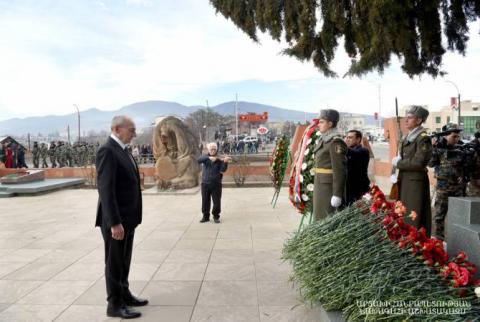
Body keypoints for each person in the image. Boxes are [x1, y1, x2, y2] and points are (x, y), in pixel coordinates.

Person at [95, 115, 147, 319]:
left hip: (128, 219)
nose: (134, 134)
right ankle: (114, 305)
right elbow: (106, 190)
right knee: (114, 263)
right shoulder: (107, 150)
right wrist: (114, 223)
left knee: (124, 260)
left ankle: (125, 294)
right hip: (116, 222)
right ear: (117, 129)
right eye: (131, 130)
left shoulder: (123, 150)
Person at [391, 105, 432, 235]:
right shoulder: (406, 137)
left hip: (415, 181)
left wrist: (399, 163)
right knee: (403, 211)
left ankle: (415, 242)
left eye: (410, 118)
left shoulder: (423, 138)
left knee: (414, 214)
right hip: (404, 179)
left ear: (419, 120)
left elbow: (418, 162)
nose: (406, 120)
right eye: (406, 118)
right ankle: (405, 240)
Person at [428, 124, 463, 240]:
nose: (457, 139)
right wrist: (433, 148)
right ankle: (438, 240)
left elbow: (466, 165)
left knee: (460, 216)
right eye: (454, 136)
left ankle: (458, 240)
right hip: (444, 188)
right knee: (439, 216)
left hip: (458, 188)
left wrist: (463, 175)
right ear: (446, 135)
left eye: (458, 136)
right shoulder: (438, 148)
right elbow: (431, 163)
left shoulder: (461, 148)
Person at [313, 109, 347, 220]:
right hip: (320, 184)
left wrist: (337, 194)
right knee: (319, 217)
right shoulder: (324, 140)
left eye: (322, 122)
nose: (319, 124)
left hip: (328, 188)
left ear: (330, 124)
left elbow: (339, 170)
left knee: (325, 218)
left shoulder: (335, 142)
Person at [197, 142, 231, 223]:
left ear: (216, 149)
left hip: (216, 184)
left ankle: (216, 216)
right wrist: (209, 158)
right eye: (211, 149)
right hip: (205, 183)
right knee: (205, 201)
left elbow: (223, 170)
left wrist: (225, 162)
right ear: (208, 149)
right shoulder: (205, 156)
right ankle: (205, 216)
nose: (213, 150)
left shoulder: (220, 158)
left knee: (216, 201)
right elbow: (198, 160)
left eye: (214, 149)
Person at [345, 130, 370, 204]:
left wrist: (342, 145)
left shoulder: (363, 151)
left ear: (358, 139)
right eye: (347, 137)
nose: (347, 139)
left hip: (359, 189)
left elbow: (355, 154)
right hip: (348, 189)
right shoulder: (347, 151)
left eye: (350, 137)